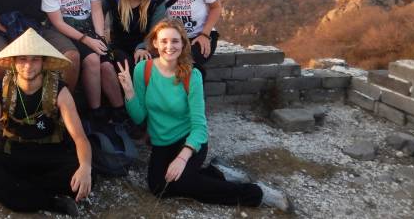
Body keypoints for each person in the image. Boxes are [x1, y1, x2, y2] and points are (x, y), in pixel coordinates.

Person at [115, 19, 292, 212]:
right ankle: (217, 173)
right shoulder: (144, 70)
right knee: (159, 188)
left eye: (175, 41)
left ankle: (257, 194)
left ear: (183, 44)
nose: (169, 46)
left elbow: (200, 126)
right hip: (160, 141)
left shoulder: (192, 75)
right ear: (155, 43)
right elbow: (140, 118)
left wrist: (182, 158)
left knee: (184, 181)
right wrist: (129, 93)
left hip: (190, 140)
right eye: (164, 41)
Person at [0, 29, 92, 217]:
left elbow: (80, 137)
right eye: (22, 59)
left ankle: (22, 193)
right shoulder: (0, 89)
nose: (28, 66)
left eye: (34, 59)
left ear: (43, 62)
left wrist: (85, 168)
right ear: (14, 62)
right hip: (14, 152)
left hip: (51, 152)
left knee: (88, 174)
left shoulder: (60, 90)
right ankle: (52, 202)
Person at [41, 0, 125, 123]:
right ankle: (96, 111)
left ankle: (119, 111)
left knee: (106, 65)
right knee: (93, 61)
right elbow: (57, 22)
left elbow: (96, 9)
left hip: (89, 23)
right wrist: (87, 40)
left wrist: (99, 36)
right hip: (67, 28)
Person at [104, 0, 165, 73]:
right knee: (125, 65)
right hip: (118, 48)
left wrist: (142, 48)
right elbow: (95, 12)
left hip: (146, 47)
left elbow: (157, 32)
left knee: (144, 65)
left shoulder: (156, 2)